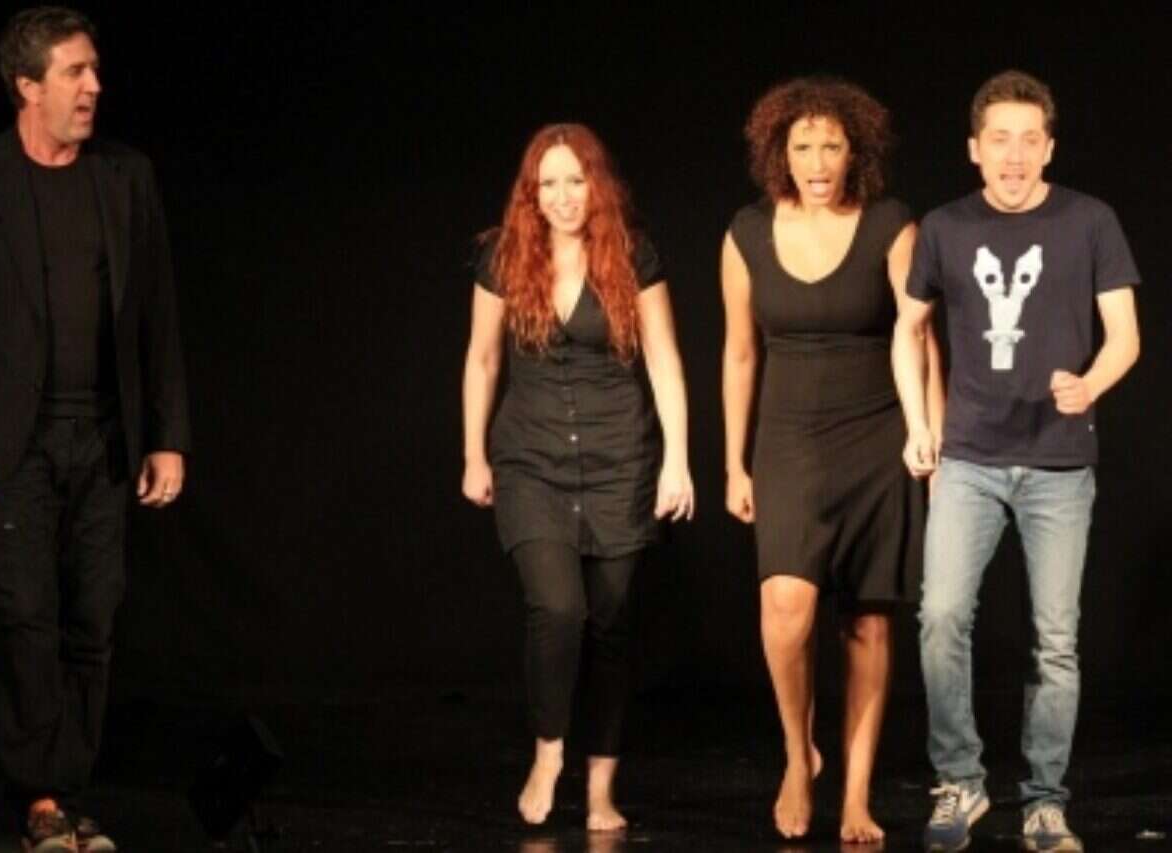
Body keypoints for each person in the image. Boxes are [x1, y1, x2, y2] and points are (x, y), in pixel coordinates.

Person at [0, 7, 190, 851]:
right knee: (24, 617)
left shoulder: (125, 178)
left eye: (95, 70)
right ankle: (42, 800)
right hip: (12, 444)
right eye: (75, 72)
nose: (94, 86)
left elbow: (157, 318)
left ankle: (66, 791)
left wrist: (167, 436)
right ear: (27, 86)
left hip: (103, 440)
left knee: (92, 618)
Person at [893, 70, 1140, 852]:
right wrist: (919, 424)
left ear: (1049, 148)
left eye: (1030, 140)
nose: (1014, 155)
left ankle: (1044, 801)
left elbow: (1126, 336)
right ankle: (960, 781)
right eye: (999, 139)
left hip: (1060, 463)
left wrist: (1090, 383)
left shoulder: (1090, 221)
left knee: (1055, 639)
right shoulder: (944, 227)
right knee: (940, 616)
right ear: (975, 148)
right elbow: (908, 330)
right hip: (969, 456)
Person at [721, 77, 942, 843]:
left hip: (877, 435)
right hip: (787, 439)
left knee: (868, 623)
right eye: (804, 146)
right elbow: (739, 352)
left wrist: (933, 438)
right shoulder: (747, 232)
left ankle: (855, 794)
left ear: (857, 152)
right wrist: (734, 463)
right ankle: (797, 752)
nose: (818, 162)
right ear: (779, 152)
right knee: (786, 609)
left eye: (832, 146)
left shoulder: (891, 224)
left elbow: (920, 336)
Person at [462, 123, 694, 831]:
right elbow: (482, 359)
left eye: (575, 180)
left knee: (612, 628)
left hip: (621, 459)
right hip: (531, 460)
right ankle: (548, 749)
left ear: (598, 185)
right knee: (559, 609)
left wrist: (678, 460)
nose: (563, 196)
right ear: (531, 193)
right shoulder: (504, 257)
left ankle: (599, 791)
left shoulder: (632, 253)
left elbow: (663, 359)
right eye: (549, 184)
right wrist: (473, 454)